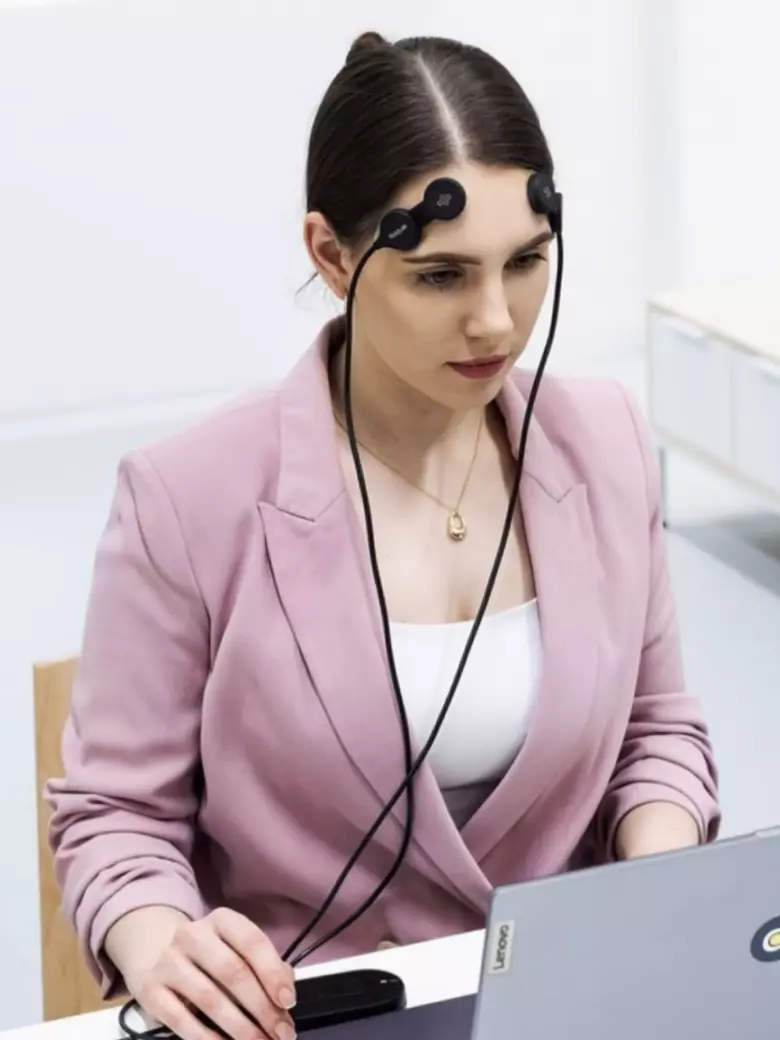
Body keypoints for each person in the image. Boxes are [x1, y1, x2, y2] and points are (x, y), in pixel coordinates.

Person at [47, 29, 720, 1040]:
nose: (497, 321)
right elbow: (116, 816)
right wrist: (161, 941)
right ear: (331, 254)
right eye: (442, 276)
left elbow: (657, 731)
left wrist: (661, 887)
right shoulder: (187, 497)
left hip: (577, 997)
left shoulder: (606, 441)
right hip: (311, 1012)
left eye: (527, 263)